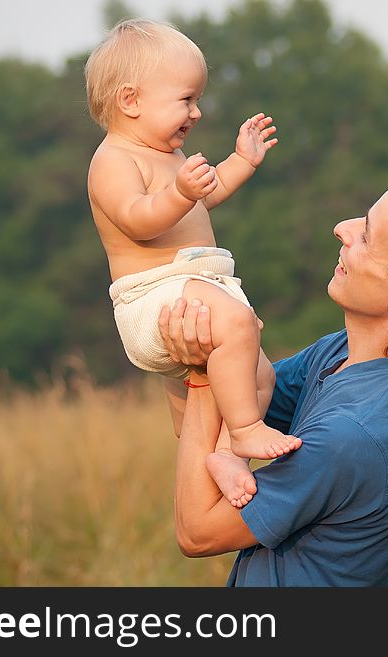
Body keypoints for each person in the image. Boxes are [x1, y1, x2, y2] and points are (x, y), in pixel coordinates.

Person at [160, 169, 388, 586]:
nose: (341, 229)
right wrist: (201, 348)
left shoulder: (356, 434)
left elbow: (197, 532)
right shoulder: (341, 352)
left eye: (366, 234)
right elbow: (201, 426)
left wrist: (202, 374)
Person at [85, 19, 300, 508]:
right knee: (239, 325)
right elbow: (139, 220)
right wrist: (178, 192)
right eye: (186, 100)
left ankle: (226, 453)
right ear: (130, 101)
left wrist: (241, 161)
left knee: (262, 375)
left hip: (195, 288)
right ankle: (244, 429)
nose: (197, 113)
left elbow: (206, 197)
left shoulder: (169, 153)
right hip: (153, 296)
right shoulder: (114, 161)